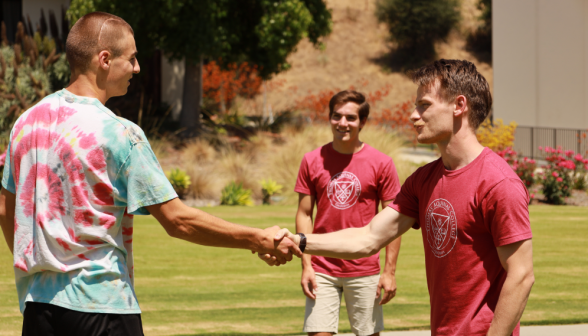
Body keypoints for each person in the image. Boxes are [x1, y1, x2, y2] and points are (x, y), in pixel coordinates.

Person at [0, 12, 299, 336]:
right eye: (132, 58)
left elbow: (6, 209)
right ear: (104, 59)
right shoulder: (118, 133)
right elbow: (178, 220)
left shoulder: (26, 123)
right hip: (102, 308)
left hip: (38, 309)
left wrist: (39, 268)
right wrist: (258, 238)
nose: (137, 68)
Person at [271, 59, 535, 336]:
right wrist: (297, 241)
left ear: (459, 106)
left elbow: (521, 275)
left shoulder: (498, 183)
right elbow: (368, 237)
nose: (413, 115)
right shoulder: (423, 180)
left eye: (424, 105)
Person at [294, 90, 402, 336]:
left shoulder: (381, 163)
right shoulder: (311, 160)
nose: (342, 123)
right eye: (337, 116)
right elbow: (304, 214)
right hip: (321, 266)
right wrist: (306, 266)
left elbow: (393, 220)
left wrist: (389, 272)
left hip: (364, 267)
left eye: (350, 118)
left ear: (362, 122)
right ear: (330, 118)